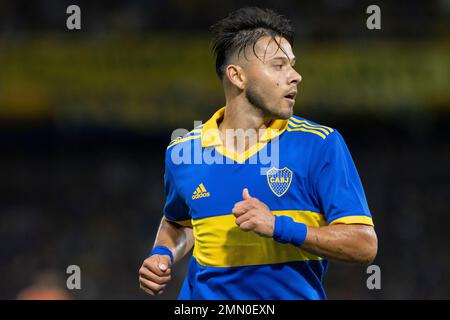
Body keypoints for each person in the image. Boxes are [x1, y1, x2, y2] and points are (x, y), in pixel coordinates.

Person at [139, 6, 377, 300]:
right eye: (279, 66)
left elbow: (364, 245)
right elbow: (178, 222)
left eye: (292, 65)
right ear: (237, 76)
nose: (296, 76)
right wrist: (163, 254)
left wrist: (280, 227)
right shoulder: (183, 151)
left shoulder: (319, 144)